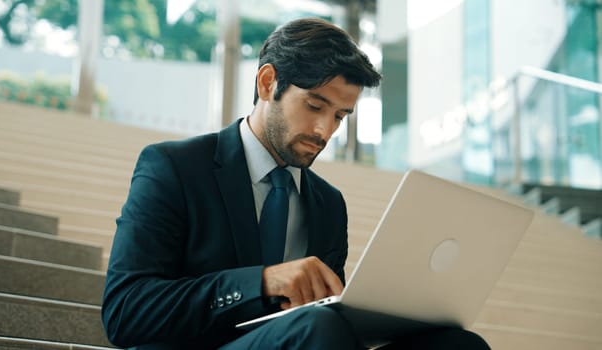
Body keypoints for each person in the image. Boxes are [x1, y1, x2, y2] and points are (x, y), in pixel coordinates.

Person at [101, 17, 490, 350]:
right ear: (268, 82)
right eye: (315, 106)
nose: (325, 130)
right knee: (316, 329)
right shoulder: (173, 167)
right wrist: (263, 282)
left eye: (340, 116)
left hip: (311, 341)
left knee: (459, 345)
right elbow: (125, 310)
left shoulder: (329, 205)